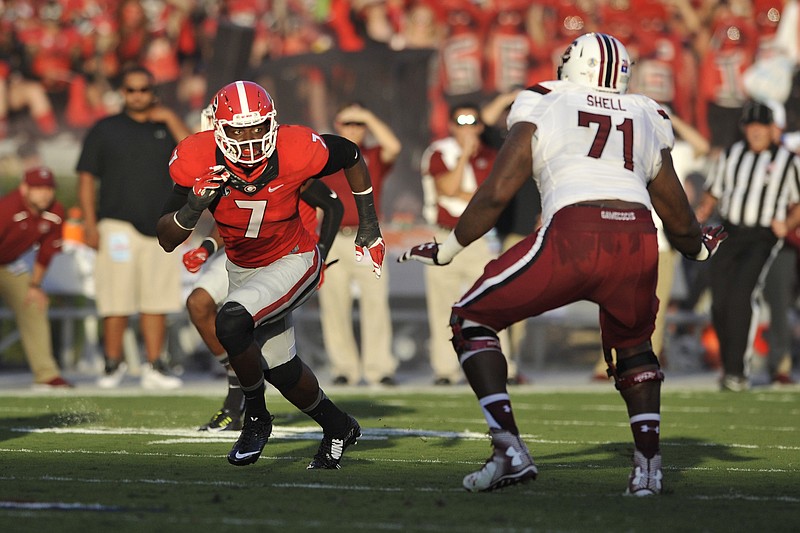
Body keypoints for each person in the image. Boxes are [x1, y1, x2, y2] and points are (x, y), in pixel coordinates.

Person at [399, 32, 726, 495]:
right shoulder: (647, 111)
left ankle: (508, 448)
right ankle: (648, 469)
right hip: (637, 235)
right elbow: (673, 208)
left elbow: (497, 191)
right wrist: (698, 249)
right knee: (634, 349)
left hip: (575, 232)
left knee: (471, 317)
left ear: (573, 66)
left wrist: (448, 248)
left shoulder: (545, 98)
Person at [156, 80, 386, 469]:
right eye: (239, 130)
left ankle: (256, 418)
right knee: (281, 369)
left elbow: (350, 155)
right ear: (218, 129)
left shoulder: (296, 147)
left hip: (294, 258)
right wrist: (191, 209)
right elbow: (165, 237)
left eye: (258, 128)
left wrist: (368, 224)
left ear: (273, 123)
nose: (249, 140)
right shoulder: (196, 156)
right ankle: (338, 426)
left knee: (230, 321)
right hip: (242, 268)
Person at [184, 179, 343, 432]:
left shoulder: (290, 169)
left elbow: (333, 206)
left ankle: (241, 408)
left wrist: (320, 254)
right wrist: (206, 247)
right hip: (241, 254)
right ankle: (238, 385)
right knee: (198, 303)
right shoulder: (235, 170)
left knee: (269, 352)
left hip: (286, 257)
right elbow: (232, 218)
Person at [77, 65, 191, 390]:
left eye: (144, 89)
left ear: (153, 92)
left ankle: (155, 365)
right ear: (122, 93)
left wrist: (169, 119)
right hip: (117, 225)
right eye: (131, 89)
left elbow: (196, 156)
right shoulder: (105, 128)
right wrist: (89, 222)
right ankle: (113, 365)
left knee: (157, 299)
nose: (137, 95)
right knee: (116, 298)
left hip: (162, 225)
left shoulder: (166, 125)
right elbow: (86, 178)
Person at [696, 99, 800, 392]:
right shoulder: (731, 155)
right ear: (745, 128)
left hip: (762, 235)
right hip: (730, 231)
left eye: (760, 127)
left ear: (771, 129)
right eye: (751, 126)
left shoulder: (788, 161)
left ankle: (737, 372)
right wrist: (702, 211)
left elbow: (798, 203)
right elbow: (713, 191)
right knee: (719, 299)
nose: (755, 132)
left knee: (742, 295)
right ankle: (730, 366)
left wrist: (788, 224)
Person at [420, 102, 514, 386]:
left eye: (472, 123)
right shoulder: (439, 152)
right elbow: (447, 188)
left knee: (490, 303)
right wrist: (463, 158)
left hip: (479, 238)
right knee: (442, 306)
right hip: (444, 235)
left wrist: (467, 193)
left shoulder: (491, 155)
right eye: (460, 123)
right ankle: (446, 370)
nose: (467, 129)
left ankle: (501, 367)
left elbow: (490, 198)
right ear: (450, 126)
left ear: (480, 127)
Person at [318, 102, 401, 386]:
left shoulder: (373, 155)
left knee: (375, 303)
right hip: (333, 237)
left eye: (359, 124)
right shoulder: (325, 157)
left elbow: (394, 147)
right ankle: (344, 368)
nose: (353, 129)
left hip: (367, 237)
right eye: (347, 124)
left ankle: (379, 368)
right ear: (337, 125)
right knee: (334, 304)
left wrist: (367, 115)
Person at [0, 166, 73, 389]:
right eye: (38, 188)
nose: (44, 194)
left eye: (48, 188)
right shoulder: (7, 208)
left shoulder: (55, 211)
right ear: (25, 189)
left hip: (8, 264)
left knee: (34, 303)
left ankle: (46, 374)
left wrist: (35, 285)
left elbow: (46, 251)